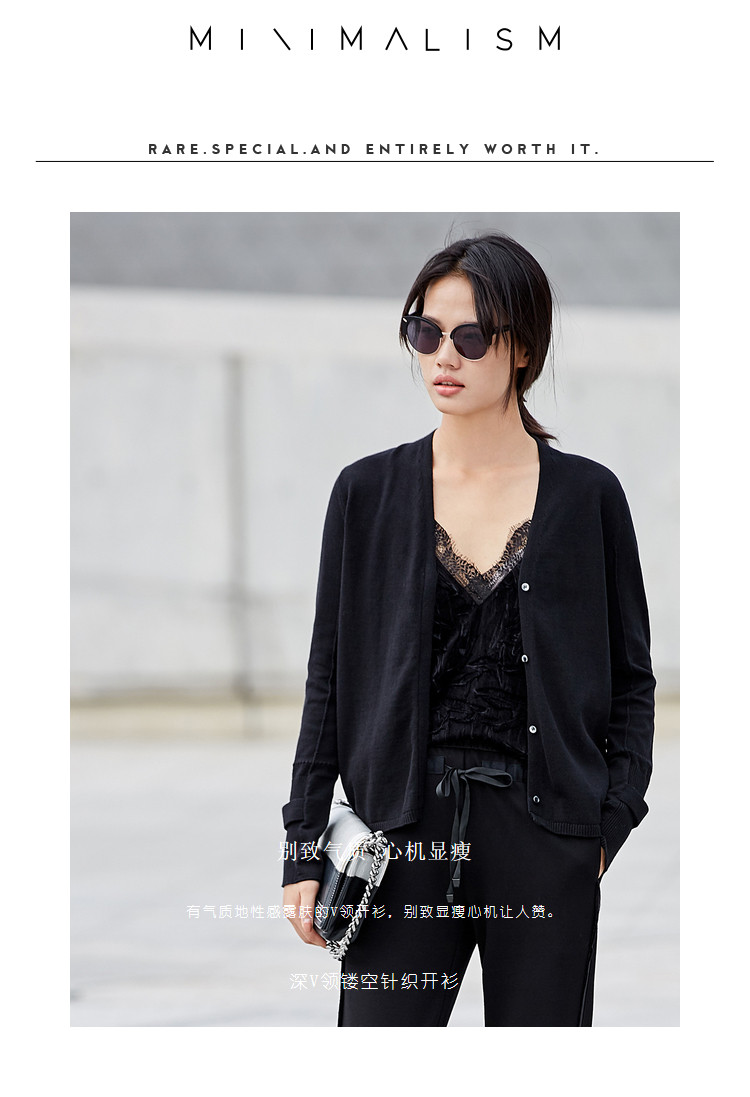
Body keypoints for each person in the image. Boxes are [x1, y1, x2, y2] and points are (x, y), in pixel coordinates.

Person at [280, 232, 655, 1027]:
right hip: (401, 840)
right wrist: (303, 843)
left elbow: (631, 680)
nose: (443, 356)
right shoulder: (366, 493)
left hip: (545, 840)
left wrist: (606, 824)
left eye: (472, 337)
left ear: (522, 349)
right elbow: (329, 678)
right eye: (426, 332)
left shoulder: (589, 498)